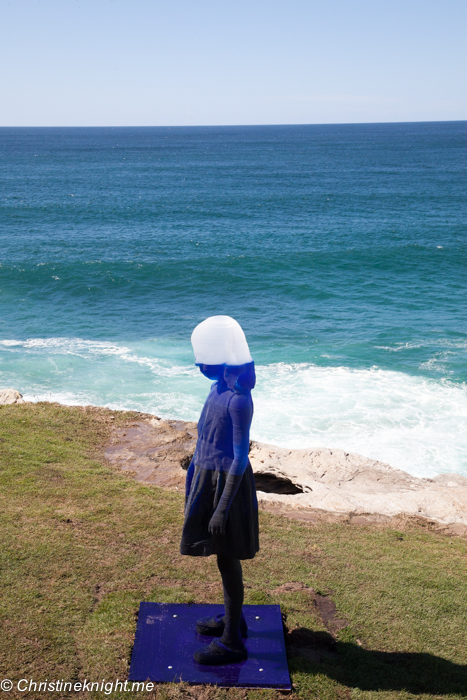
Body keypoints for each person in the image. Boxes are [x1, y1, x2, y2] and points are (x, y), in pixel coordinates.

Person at [180, 315, 259, 665]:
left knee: (227, 559)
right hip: (207, 479)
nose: (198, 363)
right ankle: (233, 619)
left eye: (204, 358)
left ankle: (232, 643)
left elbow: (240, 458)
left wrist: (222, 508)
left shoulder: (239, 401)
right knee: (221, 558)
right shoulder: (217, 390)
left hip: (227, 486)